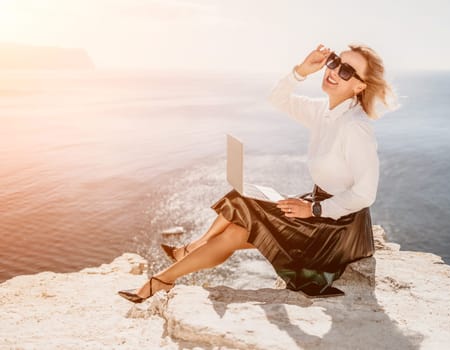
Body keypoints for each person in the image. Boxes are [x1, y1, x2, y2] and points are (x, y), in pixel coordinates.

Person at [118, 42, 398, 303]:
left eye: (347, 71)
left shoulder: (355, 127)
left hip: (338, 229)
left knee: (241, 216)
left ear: (360, 87)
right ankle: (170, 271)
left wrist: (312, 210)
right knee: (237, 209)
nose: (335, 71)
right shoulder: (324, 111)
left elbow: (365, 194)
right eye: (336, 62)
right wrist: (302, 70)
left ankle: (169, 271)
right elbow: (277, 98)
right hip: (318, 209)